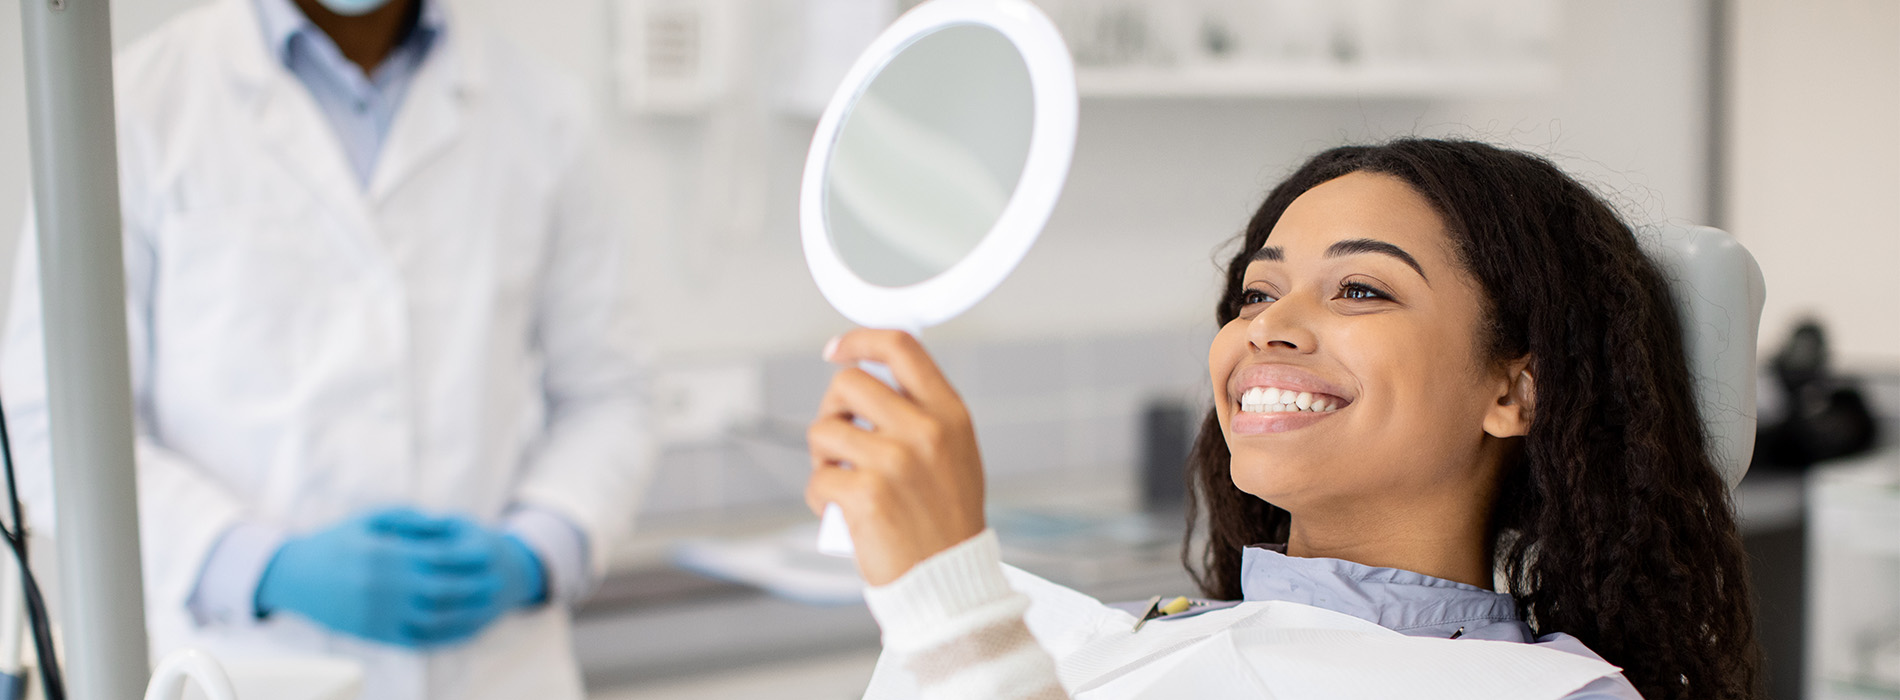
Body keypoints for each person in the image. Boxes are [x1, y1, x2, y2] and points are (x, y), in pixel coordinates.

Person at [806, 139, 1763, 699]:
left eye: (1358, 288)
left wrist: (954, 612)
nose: (1271, 329)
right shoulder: (1114, 641)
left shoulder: (1543, 696)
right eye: (1256, 293)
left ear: (1514, 391)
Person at [0, 0, 650, 697]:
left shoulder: (546, 114)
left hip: (495, 669)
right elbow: (51, 421)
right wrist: (258, 566)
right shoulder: (130, 105)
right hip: (242, 667)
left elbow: (612, 395)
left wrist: (536, 550)